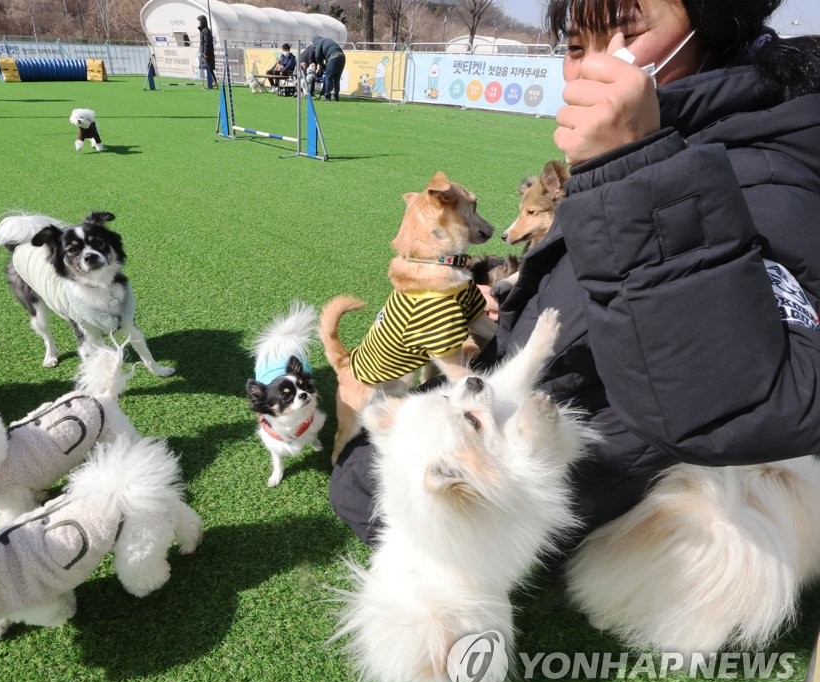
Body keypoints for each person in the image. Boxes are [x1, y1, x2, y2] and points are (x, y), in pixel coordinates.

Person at [330, 0, 820, 549]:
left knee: (366, 488)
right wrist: (506, 302)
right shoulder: (683, 129)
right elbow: (597, 285)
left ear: (715, 24)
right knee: (363, 474)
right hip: (532, 410)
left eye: (626, 31)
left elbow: (744, 408)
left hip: (589, 467)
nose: (590, 67)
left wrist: (633, 161)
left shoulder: (765, 165)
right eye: (575, 46)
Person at [307, 35, 345, 101]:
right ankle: (336, 96)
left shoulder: (318, 43)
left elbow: (318, 56)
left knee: (328, 77)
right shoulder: (327, 40)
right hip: (342, 57)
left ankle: (327, 95)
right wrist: (325, 65)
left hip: (334, 57)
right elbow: (328, 54)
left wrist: (322, 64)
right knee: (336, 78)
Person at [197, 15, 216, 90]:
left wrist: (205, 53)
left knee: (209, 68)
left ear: (202, 22)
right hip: (204, 53)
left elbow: (206, 43)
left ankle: (213, 82)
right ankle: (212, 82)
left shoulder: (206, 31)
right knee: (208, 68)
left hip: (207, 53)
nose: (198, 23)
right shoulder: (202, 30)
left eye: (199, 21)